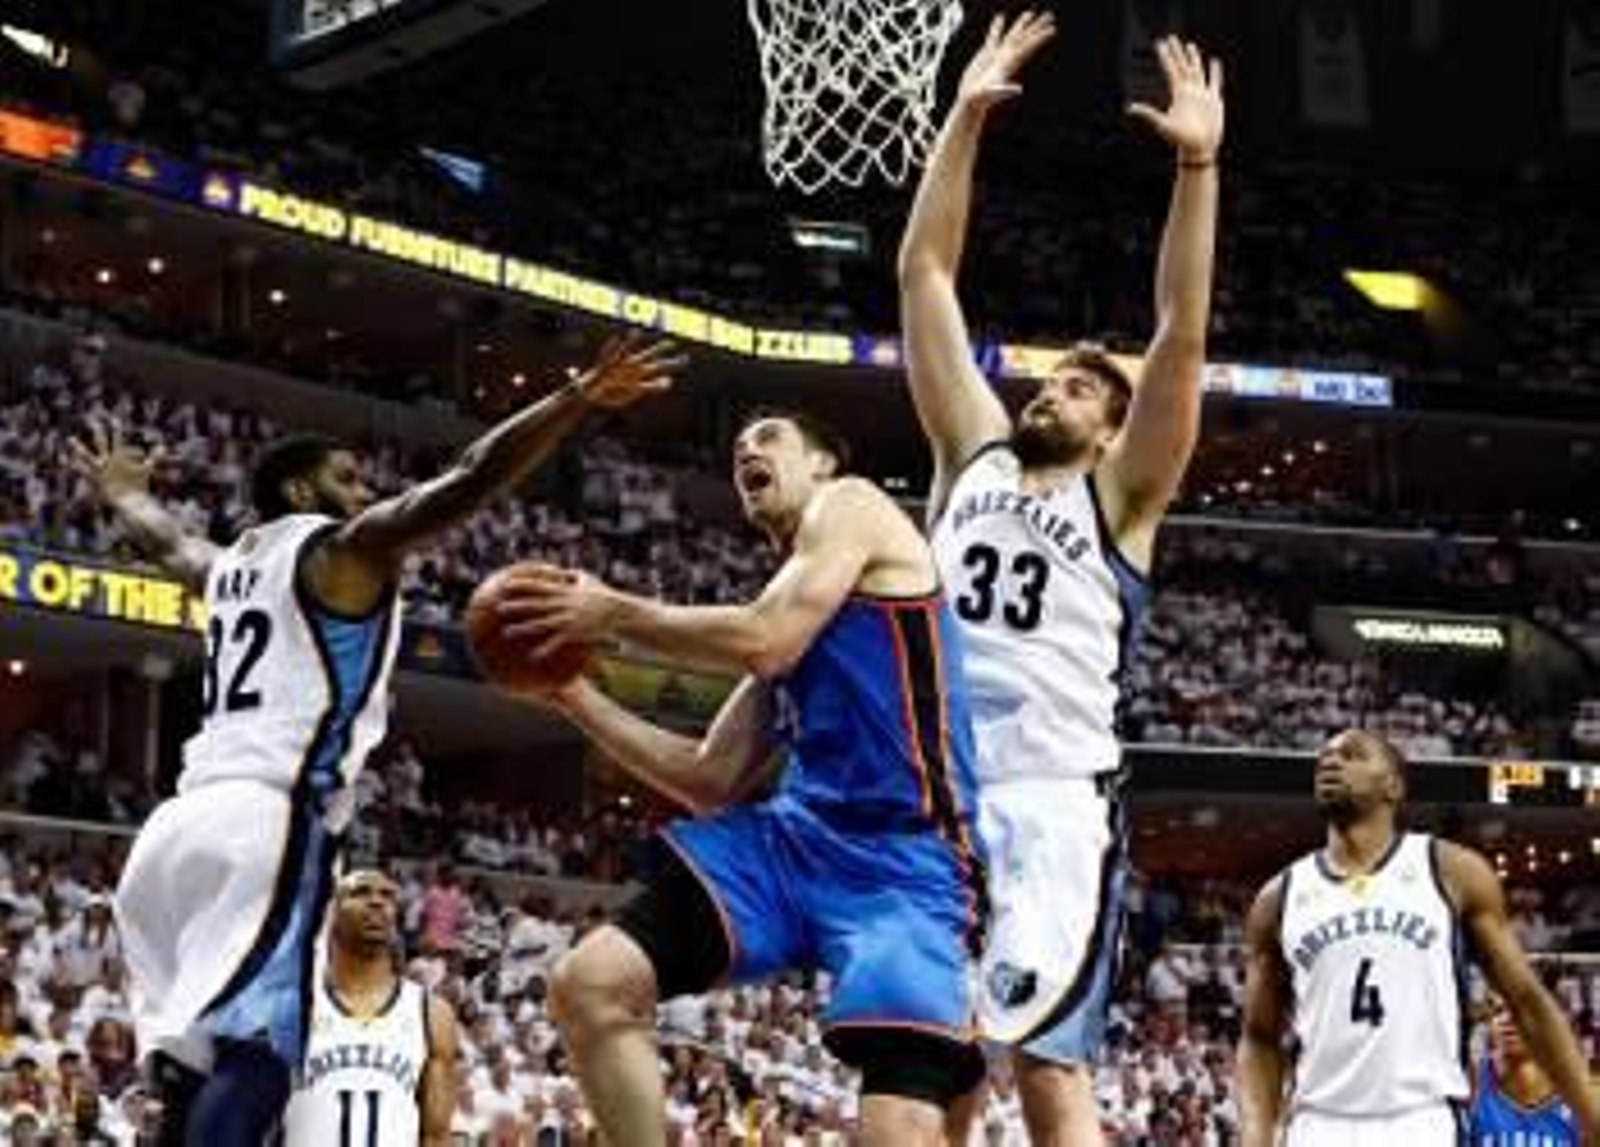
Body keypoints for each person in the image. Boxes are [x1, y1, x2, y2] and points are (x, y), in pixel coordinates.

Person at [71, 333, 681, 1146]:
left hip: (173, 834)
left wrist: (122, 494)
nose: (366, 491)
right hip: (266, 820)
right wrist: (573, 401)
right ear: (299, 487)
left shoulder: (230, 568)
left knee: (193, 1064)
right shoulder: (340, 551)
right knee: (258, 1055)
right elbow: (468, 480)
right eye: (349, 477)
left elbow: (164, 538)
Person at [897, 10, 1224, 1143]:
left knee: (1043, 1069)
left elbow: (1178, 333)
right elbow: (927, 271)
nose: (1053, 391)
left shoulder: (1123, 497)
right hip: (933, 794)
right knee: (930, 1066)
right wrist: (964, 119)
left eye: (1083, 389)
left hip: (1050, 807)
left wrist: (1196, 163)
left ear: (1113, 431)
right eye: (1052, 381)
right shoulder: (969, 458)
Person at [496, 410, 988, 1146]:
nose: (746, 451)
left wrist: (614, 612)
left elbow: (764, 638)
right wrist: (572, 695)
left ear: (822, 463)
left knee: (898, 1126)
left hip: (905, 860)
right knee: (588, 984)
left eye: (769, 437)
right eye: (736, 448)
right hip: (795, 844)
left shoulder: (854, 503)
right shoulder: (793, 608)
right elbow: (710, 778)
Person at [1236, 729, 1600, 1147]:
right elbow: (1259, 1037)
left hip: (1422, 1120)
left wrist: (1589, 1114)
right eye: (1325, 757)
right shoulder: (1277, 898)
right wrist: (1255, 1133)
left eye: (1352, 755)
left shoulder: (1452, 871)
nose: (1331, 762)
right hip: (1317, 1123)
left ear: (1393, 785)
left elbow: (1527, 1001)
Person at [284, 869, 458, 1146]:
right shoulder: (291, 1004)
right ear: (332, 912)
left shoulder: (431, 1013)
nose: (377, 902)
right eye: (360, 892)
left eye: (387, 895)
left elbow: (436, 1136)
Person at [1468, 993, 1583, 1146]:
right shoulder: (1473, 1080)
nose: (1506, 1019)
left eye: (1519, 1011)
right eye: (1498, 1011)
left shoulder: (1578, 1099)